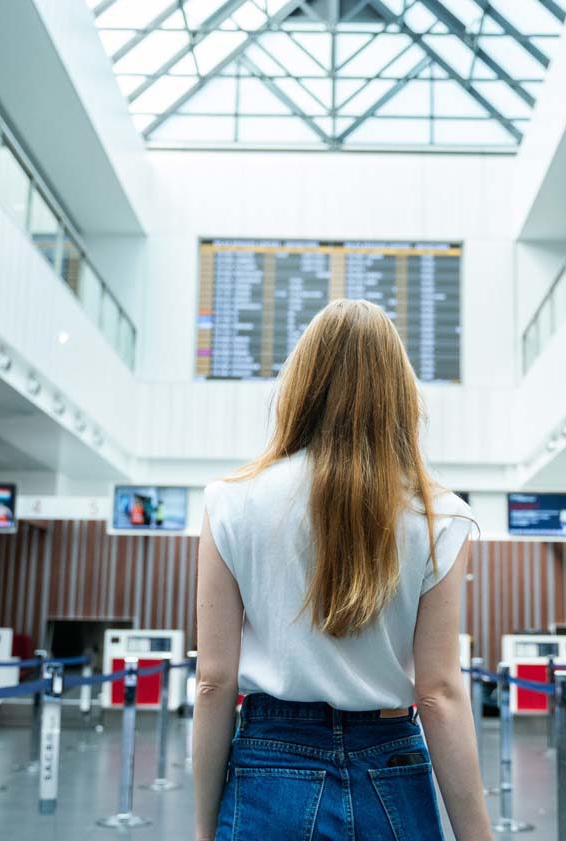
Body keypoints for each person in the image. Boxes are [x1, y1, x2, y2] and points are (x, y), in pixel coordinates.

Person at [193, 299, 490, 841]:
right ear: (399, 393)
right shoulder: (439, 514)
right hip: (391, 766)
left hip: (269, 763)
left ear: (301, 384)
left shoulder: (230, 502)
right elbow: (439, 692)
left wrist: (201, 828)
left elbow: (214, 682)